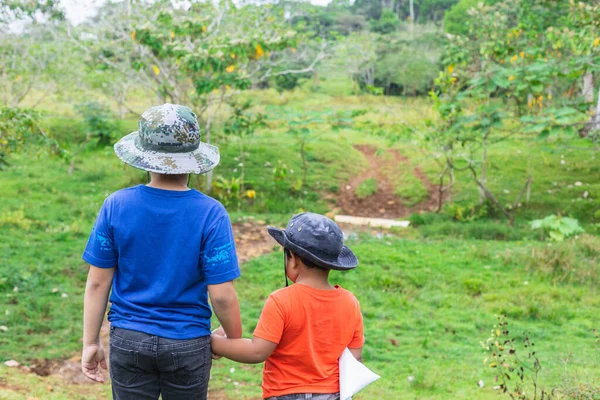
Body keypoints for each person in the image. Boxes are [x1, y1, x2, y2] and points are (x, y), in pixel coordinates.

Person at [81, 103, 242, 400]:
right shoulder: (211, 213)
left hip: (129, 338)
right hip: (187, 342)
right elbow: (221, 294)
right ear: (193, 159)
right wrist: (233, 338)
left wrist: (90, 342)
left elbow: (97, 282)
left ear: (143, 157)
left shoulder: (116, 205)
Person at [211, 212, 364, 400]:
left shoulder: (281, 300)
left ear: (293, 258)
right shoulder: (350, 302)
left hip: (284, 394)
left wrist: (214, 343)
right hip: (333, 394)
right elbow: (355, 357)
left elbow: (257, 351)